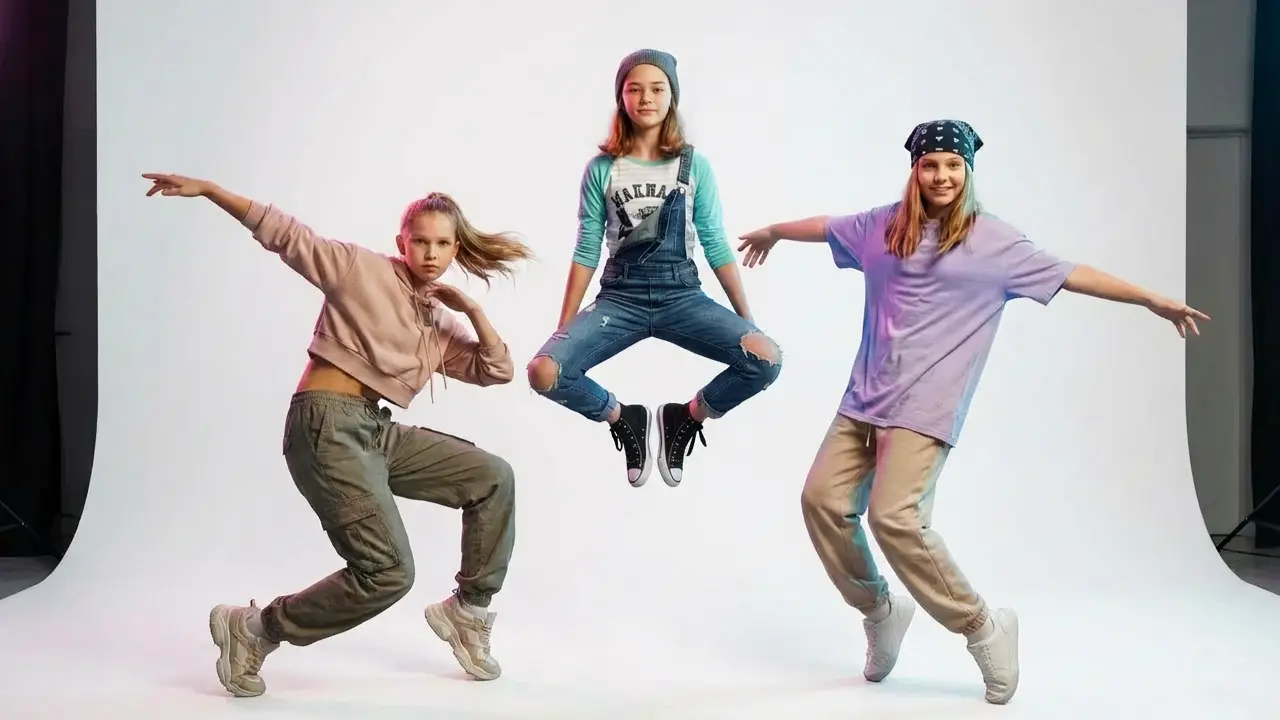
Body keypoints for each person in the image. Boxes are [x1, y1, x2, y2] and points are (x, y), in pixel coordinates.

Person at [735, 119, 1209, 705]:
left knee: (895, 519)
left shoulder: (993, 244)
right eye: (931, 165)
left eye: (953, 166)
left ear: (968, 172)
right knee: (821, 502)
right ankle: (879, 609)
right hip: (862, 399)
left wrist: (1152, 299)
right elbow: (825, 225)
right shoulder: (881, 227)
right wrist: (776, 232)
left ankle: (982, 626)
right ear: (915, 171)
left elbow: (1070, 272)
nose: (941, 175)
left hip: (925, 409)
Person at [141, 172, 533, 697]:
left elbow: (498, 369)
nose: (431, 253)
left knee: (493, 477)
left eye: (442, 243)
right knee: (389, 571)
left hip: (375, 431)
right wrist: (213, 191)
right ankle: (254, 629)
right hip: (324, 424)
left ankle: (468, 610)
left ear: (455, 248)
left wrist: (475, 313)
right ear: (403, 243)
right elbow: (286, 234)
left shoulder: (439, 324)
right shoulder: (360, 270)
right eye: (420, 241)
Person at [526, 49, 782, 488]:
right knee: (544, 372)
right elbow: (587, 246)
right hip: (619, 298)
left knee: (765, 360)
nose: (646, 97)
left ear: (672, 98)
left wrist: (746, 318)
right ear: (621, 98)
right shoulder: (602, 168)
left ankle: (684, 418)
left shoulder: (693, 165)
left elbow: (715, 242)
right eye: (634, 88)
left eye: (657, 88)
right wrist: (564, 324)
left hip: (680, 294)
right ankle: (624, 418)